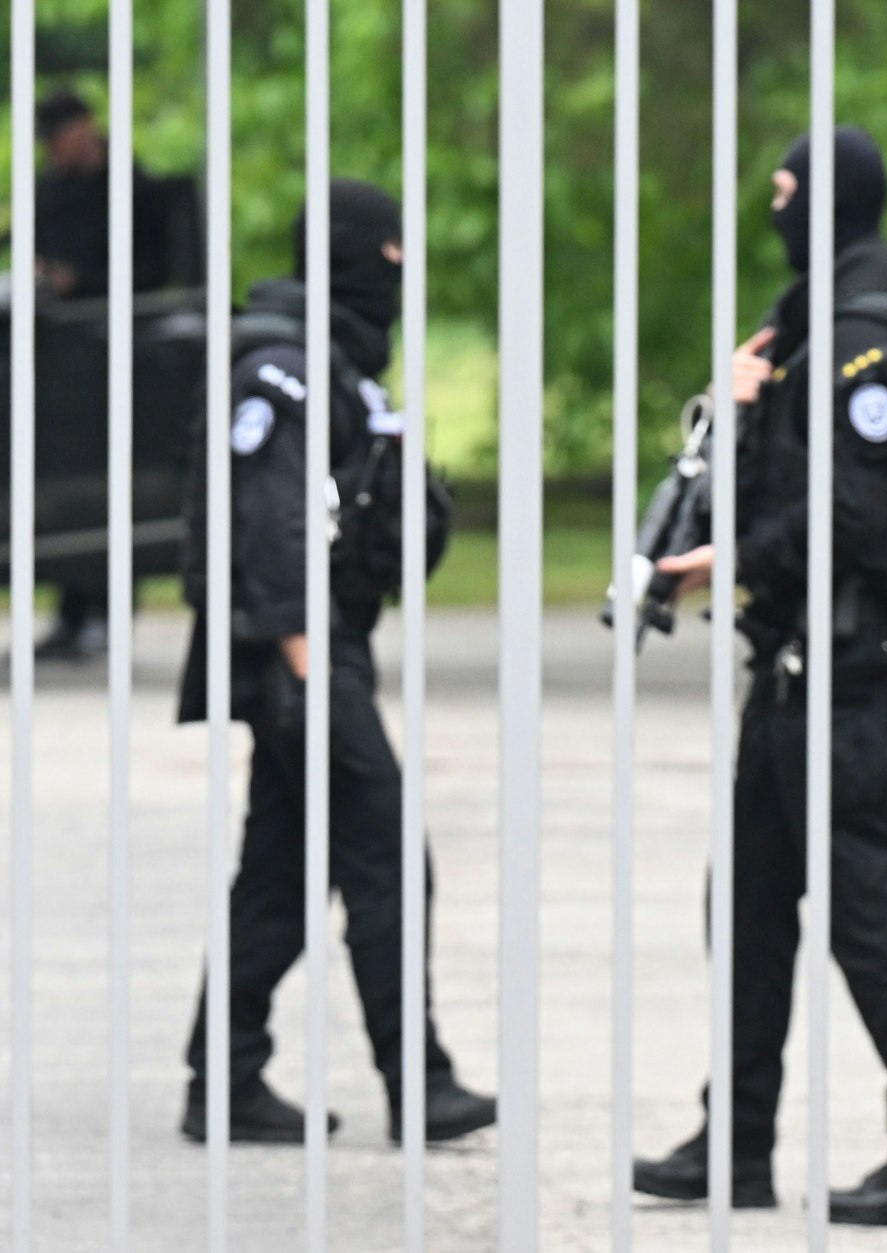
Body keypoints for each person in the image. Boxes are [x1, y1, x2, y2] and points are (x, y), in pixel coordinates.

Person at [631, 125, 887, 1227]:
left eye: (783, 190)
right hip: (785, 672)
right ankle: (733, 1145)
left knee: (864, 917)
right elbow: (773, 491)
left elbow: (854, 516)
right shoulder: (805, 337)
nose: (771, 207)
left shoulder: (868, 347)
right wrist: (738, 405)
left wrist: (722, 561)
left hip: (846, 672)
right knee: (742, 906)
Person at [175, 179, 492, 1145]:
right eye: (388, 253)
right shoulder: (280, 366)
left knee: (280, 868)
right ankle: (420, 1083)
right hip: (302, 655)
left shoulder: (333, 362)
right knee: (391, 856)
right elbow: (271, 526)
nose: (398, 272)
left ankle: (222, 1079)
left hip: (318, 649)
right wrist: (312, 667)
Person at [30, 88, 172, 661]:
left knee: (114, 485)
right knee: (64, 488)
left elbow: (151, 269)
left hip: (117, 353)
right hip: (62, 359)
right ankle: (70, 615)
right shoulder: (52, 190)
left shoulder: (134, 190)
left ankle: (108, 616)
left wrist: (80, 282)